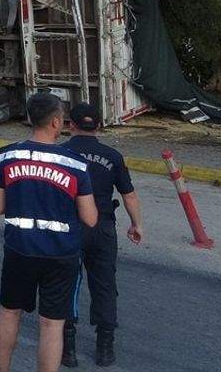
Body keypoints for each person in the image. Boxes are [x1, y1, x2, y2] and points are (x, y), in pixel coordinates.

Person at [0, 92, 98, 372]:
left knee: (9, 312)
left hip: (19, 248)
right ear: (55, 122)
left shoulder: (8, 155)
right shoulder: (75, 164)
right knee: (52, 324)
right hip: (60, 253)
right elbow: (90, 218)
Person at [58, 103, 143, 367]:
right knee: (105, 285)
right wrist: (136, 224)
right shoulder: (113, 156)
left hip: (70, 226)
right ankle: (105, 349)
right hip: (103, 227)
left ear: (70, 125)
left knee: (67, 284)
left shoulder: (60, 153)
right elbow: (128, 194)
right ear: (98, 126)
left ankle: (68, 347)